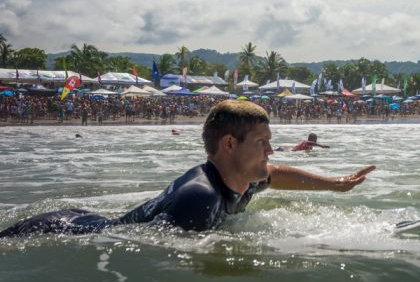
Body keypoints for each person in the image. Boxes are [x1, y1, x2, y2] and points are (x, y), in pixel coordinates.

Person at [0, 100, 374, 238]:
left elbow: (276, 174)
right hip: (63, 230)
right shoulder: (199, 198)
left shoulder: (242, 179)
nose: (270, 150)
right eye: (262, 142)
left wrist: (337, 185)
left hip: (83, 218)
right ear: (230, 145)